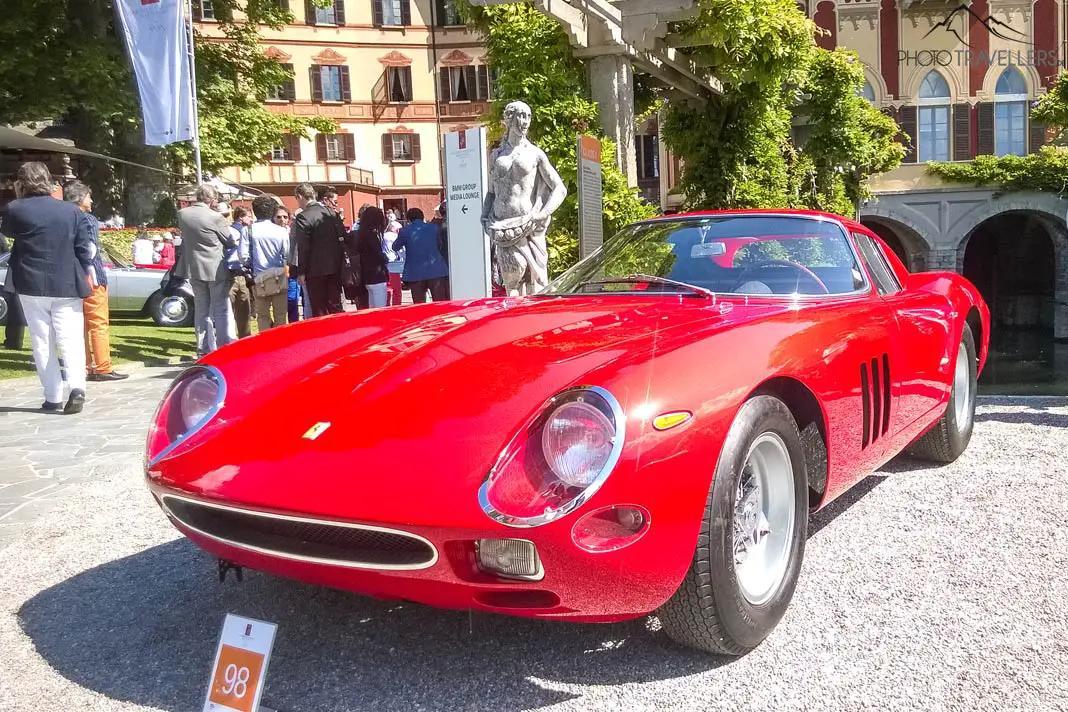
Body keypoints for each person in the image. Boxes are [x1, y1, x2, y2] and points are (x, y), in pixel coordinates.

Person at [3, 162, 94, 413]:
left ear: (22, 182)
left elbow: (8, 231)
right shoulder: (71, 212)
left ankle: (52, 395)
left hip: (30, 282)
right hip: (66, 280)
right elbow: (85, 247)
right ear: (48, 180)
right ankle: (77, 387)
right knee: (71, 338)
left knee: (42, 341)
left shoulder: (15, 208)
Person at [481, 100, 566, 295]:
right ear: (509, 119)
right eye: (521, 115)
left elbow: (559, 188)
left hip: (528, 224)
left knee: (533, 284)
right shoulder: (496, 155)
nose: (525, 121)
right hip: (500, 226)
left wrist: (543, 214)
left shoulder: (535, 154)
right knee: (511, 282)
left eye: (528, 116)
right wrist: (484, 215)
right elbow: (492, 192)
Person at [64, 181, 128, 383]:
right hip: (92, 277)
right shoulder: (87, 219)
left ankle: (83, 366)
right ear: (80, 199)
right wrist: (91, 272)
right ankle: (102, 367)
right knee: (98, 323)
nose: (91, 200)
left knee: (80, 325)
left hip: (71, 277)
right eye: (88, 196)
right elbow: (89, 248)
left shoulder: (64, 217)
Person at [175, 184, 238, 357]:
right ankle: (224, 345)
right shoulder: (215, 217)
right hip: (215, 267)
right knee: (220, 308)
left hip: (194, 267)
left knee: (201, 308)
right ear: (211, 199)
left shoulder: (183, 214)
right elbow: (230, 241)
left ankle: (203, 348)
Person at [290, 182, 352, 317]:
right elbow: (343, 237)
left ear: (300, 196)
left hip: (315, 270)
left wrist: (301, 271)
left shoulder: (303, 216)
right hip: (335, 267)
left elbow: (303, 246)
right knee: (335, 306)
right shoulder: (330, 212)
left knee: (319, 308)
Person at [248, 196, 290, 331]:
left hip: (259, 277)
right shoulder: (281, 231)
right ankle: (280, 343)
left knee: (263, 315)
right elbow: (287, 254)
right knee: (281, 314)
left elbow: (244, 256)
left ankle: (265, 344)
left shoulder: (249, 230)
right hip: (278, 275)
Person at [393, 207, 450, 303]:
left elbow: (395, 247)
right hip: (436, 270)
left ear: (408, 219)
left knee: (420, 305)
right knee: (440, 304)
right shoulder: (434, 228)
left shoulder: (404, 231)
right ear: (422, 216)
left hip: (415, 273)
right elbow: (440, 245)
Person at [223, 204, 252, 338]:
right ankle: (228, 338)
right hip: (229, 273)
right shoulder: (230, 231)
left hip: (242, 274)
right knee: (228, 309)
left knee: (244, 309)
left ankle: (245, 338)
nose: (251, 219)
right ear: (241, 217)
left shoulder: (247, 231)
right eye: (249, 216)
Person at [352, 207, 390, 308]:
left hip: (366, 276)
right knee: (380, 308)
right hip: (377, 276)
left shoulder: (360, 233)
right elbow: (378, 254)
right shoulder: (372, 235)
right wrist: (385, 258)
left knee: (372, 307)